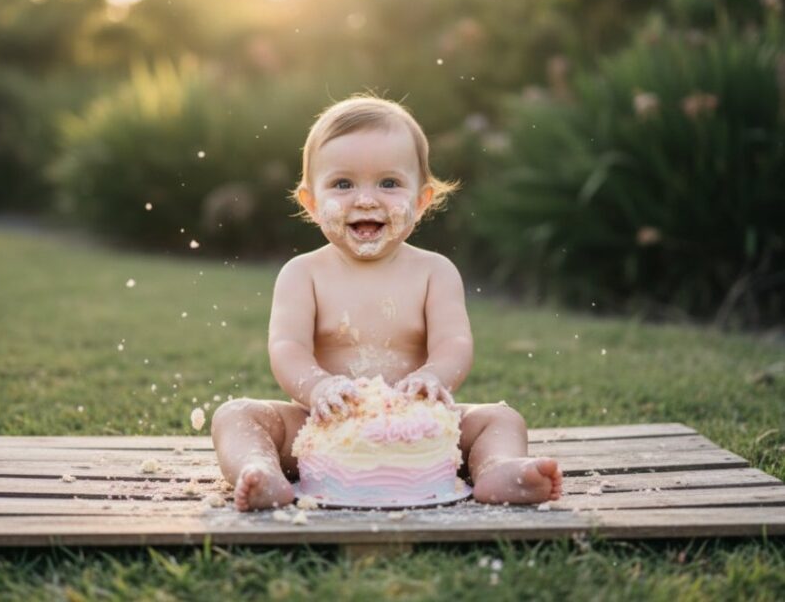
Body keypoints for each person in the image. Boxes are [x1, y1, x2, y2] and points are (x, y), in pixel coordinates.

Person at [212, 95, 562, 511]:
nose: (365, 199)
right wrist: (318, 386)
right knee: (236, 415)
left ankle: (498, 468)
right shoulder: (302, 274)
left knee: (501, 419)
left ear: (421, 200)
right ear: (310, 202)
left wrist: (434, 377)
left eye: (389, 183)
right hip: (323, 429)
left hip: (421, 429)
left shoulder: (435, 272)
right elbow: (287, 348)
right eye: (343, 184)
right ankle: (260, 469)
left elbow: (455, 343)